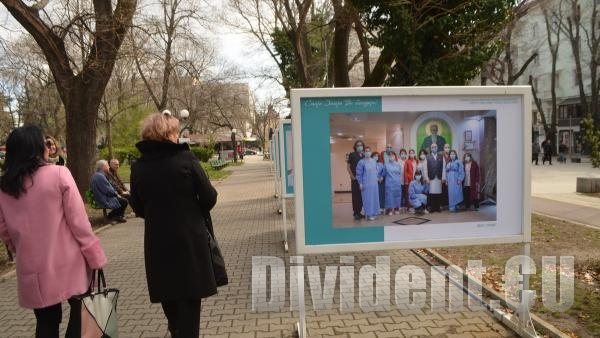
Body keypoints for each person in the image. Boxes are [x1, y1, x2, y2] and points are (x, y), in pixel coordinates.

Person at [0, 126, 107, 338]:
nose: (48, 147)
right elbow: (79, 222)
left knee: (46, 322)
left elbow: (4, 230)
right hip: (68, 261)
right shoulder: (58, 173)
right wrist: (94, 255)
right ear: (36, 148)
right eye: (45, 143)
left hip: (32, 267)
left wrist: (21, 248)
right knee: (82, 313)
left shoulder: (4, 187)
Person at [129, 112, 219, 338]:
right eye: (175, 132)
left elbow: (138, 208)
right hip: (189, 243)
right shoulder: (186, 160)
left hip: (157, 245)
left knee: (171, 305)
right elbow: (209, 197)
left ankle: (176, 330)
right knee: (190, 304)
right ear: (168, 134)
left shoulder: (138, 167)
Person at [356, 146, 380, 221]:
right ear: (363, 152)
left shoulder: (373, 161)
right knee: (367, 200)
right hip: (366, 184)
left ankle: (374, 213)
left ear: (371, 152)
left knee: (374, 199)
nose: (367, 152)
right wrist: (360, 183)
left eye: (369, 151)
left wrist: (378, 178)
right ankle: (368, 214)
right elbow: (359, 173)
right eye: (366, 151)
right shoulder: (361, 162)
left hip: (374, 184)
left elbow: (376, 171)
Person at [347, 140, 365, 220]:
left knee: (361, 197)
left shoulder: (364, 155)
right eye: (358, 145)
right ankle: (355, 213)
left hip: (363, 180)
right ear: (355, 147)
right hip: (355, 179)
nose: (359, 147)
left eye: (361, 145)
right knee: (355, 196)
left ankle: (359, 212)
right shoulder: (352, 155)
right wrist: (352, 176)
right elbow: (348, 166)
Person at [426, 144, 444, 212]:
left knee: (438, 192)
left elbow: (443, 167)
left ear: (437, 148)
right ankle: (432, 208)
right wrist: (427, 178)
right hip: (431, 177)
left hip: (439, 177)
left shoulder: (441, 156)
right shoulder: (428, 157)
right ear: (431, 148)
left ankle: (438, 207)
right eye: (432, 147)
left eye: (435, 147)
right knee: (431, 193)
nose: (434, 148)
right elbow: (426, 168)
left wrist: (443, 177)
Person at [383, 151, 403, 215]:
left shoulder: (398, 165)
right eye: (390, 155)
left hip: (397, 183)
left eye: (393, 155)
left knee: (397, 196)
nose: (391, 157)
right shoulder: (386, 165)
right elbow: (383, 174)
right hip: (389, 183)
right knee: (389, 196)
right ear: (388, 157)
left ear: (395, 156)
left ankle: (396, 208)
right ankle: (389, 210)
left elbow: (399, 173)